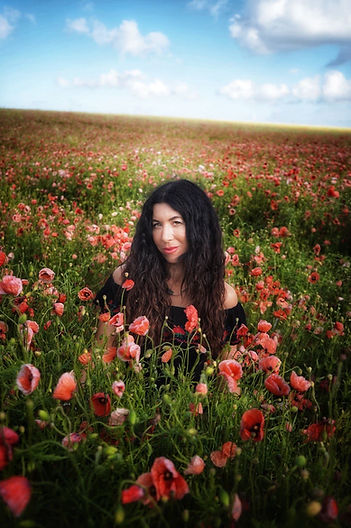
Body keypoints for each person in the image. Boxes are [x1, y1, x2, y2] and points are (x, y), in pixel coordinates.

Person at [94, 178, 246, 381]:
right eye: (157, 224)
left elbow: (227, 383)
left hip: (192, 408)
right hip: (130, 399)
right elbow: (100, 355)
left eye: (176, 222)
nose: (165, 236)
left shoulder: (223, 298)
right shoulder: (125, 281)